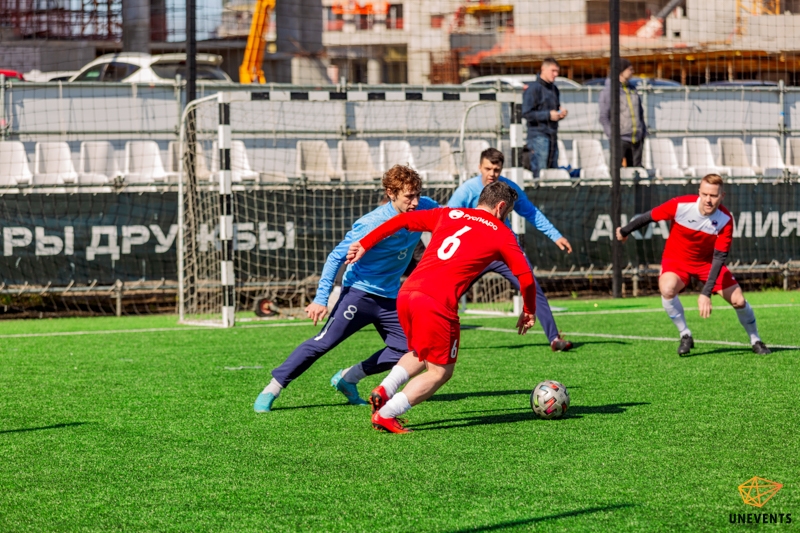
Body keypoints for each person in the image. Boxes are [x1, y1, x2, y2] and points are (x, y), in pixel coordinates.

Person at [346, 181, 539, 433]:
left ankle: (385, 389)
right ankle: (387, 413)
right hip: (436, 302)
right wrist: (529, 309)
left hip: (407, 293)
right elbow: (526, 277)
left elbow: (401, 220)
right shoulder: (501, 232)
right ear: (501, 206)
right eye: (508, 212)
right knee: (440, 372)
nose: (506, 217)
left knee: (420, 352)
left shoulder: (449, 213)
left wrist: (365, 243)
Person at [253, 165, 439, 412]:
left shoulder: (425, 206)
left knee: (410, 351)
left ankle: (349, 377)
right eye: (409, 196)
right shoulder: (372, 222)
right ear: (390, 193)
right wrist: (320, 299)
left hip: (390, 298)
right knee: (323, 343)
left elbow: (452, 216)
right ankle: (272, 388)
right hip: (359, 294)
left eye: (417, 195)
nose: (415, 202)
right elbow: (335, 258)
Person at [615, 174, 771, 356]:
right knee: (667, 289)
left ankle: (755, 340)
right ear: (699, 192)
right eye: (704, 194)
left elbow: (719, 257)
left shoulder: (725, 219)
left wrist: (706, 292)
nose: (708, 200)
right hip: (676, 260)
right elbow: (649, 216)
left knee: (739, 300)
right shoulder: (681, 205)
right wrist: (624, 231)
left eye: (713, 195)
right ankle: (685, 334)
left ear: (722, 196)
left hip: (707, 264)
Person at [448, 147, 573, 351]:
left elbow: (531, 212)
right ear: (479, 167)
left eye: (496, 169)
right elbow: (449, 219)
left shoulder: (509, 189)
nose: (492, 174)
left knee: (531, 286)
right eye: (488, 168)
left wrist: (555, 235)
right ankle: (435, 335)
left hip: (504, 250)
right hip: (474, 253)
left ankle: (554, 338)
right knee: (449, 291)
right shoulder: (466, 190)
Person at [522, 57, 567, 177]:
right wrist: (548, 115)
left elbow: (554, 110)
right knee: (540, 172)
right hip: (538, 136)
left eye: (557, 71)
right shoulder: (533, 88)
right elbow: (526, 113)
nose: (555, 74)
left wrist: (560, 113)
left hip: (552, 135)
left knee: (553, 172)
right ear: (543, 69)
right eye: (553, 71)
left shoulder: (554, 89)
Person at [599, 57, 647, 168]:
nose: (632, 71)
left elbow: (640, 112)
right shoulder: (609, 91)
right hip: (620, 138)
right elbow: (604, 116)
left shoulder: (632, 89)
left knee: (636, 170)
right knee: (616, 169)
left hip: (636, 138)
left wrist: (642, 131)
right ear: (621, 71)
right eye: (630, 69)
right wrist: (612, 135)